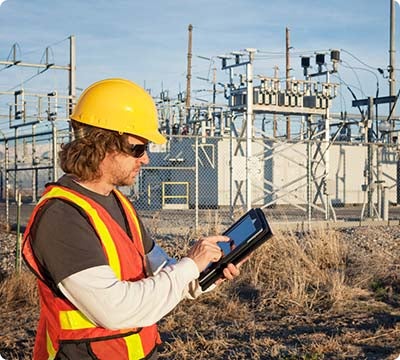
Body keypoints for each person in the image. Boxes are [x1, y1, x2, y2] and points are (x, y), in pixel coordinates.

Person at [22, 78, 242, 360]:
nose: (146, 159)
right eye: (137, 148)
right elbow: (117, 310)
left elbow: (161, 272)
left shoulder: (119, 203)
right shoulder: (62, 217)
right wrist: (188, 266)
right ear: (101, 144)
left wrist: (206, 272)